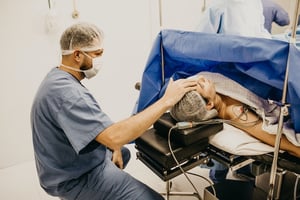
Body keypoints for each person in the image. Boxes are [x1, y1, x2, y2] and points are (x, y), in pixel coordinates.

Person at [30, 22, 197, 200]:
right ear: (77, 55)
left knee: (121, 152)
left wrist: (114, 145)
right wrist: (167, 101)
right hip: (75, 178)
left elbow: (99, 129)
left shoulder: (58, 78)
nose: (101, 59)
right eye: (97, 54)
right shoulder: (68, 94)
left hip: (69, 163)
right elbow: (114, 136)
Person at [170, 72, 300, 182]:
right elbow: (279, 142)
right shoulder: (236, 113)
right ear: (209, 104)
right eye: (200, 85)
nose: (201, 79)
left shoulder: (213, 94)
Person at [195, 0, 271, 39]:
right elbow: (201, 42)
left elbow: (261, 32)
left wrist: (273, 46)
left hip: (253, 61)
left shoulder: (255, 3)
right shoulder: (219, 6)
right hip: (226, 64)